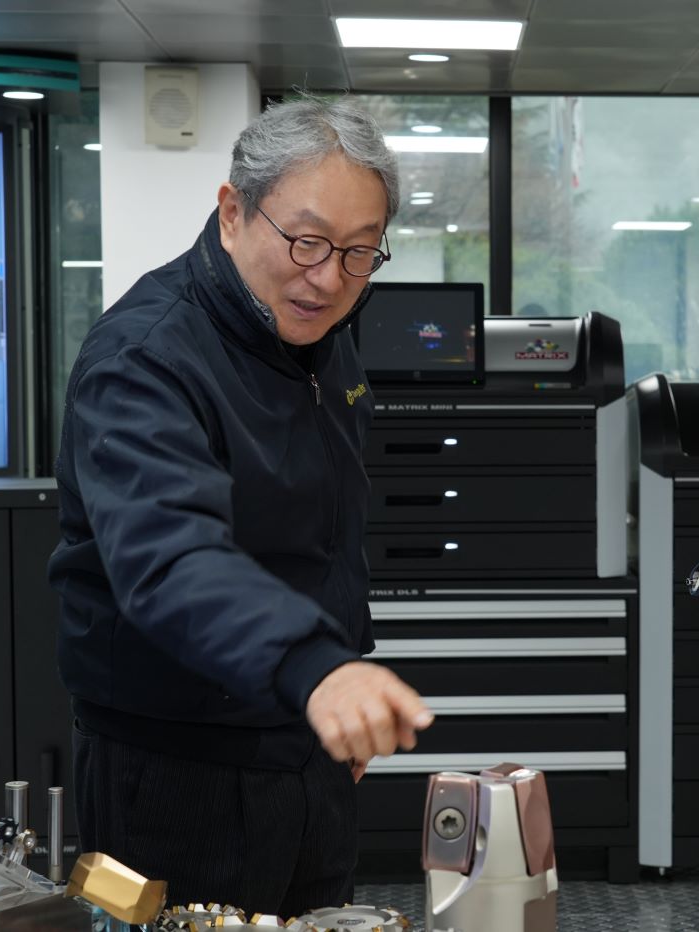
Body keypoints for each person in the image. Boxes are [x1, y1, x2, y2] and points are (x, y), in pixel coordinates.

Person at [48, 94, 433, 915]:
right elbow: (170, 556)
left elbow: (324, 536)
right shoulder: (145, 358)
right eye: (306, 241)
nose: (328, 277)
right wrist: (317, 670)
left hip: (305, 745)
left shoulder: (321, 340)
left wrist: (332, 684)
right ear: (233, 212)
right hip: (175, 770)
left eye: (359, 251)